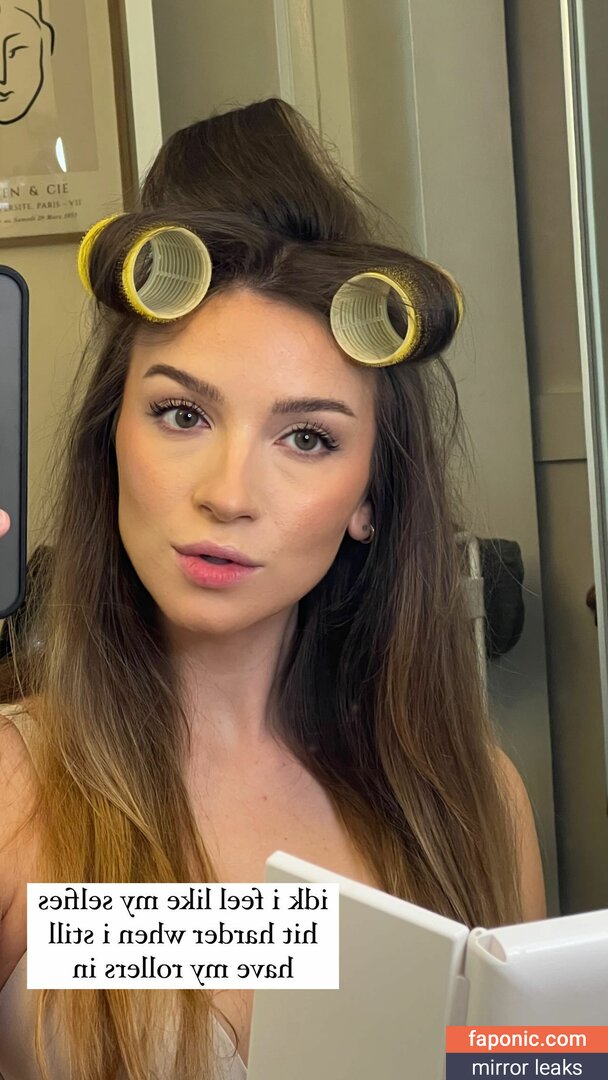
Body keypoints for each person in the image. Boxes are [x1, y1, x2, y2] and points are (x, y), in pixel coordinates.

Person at [0, 98, 546, 1080]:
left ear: (369, 498)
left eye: (306, 438)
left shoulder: (473, 798)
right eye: (181, 414)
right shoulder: (14, 788)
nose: (228, 494)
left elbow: (526, 1066)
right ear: (110, 438)